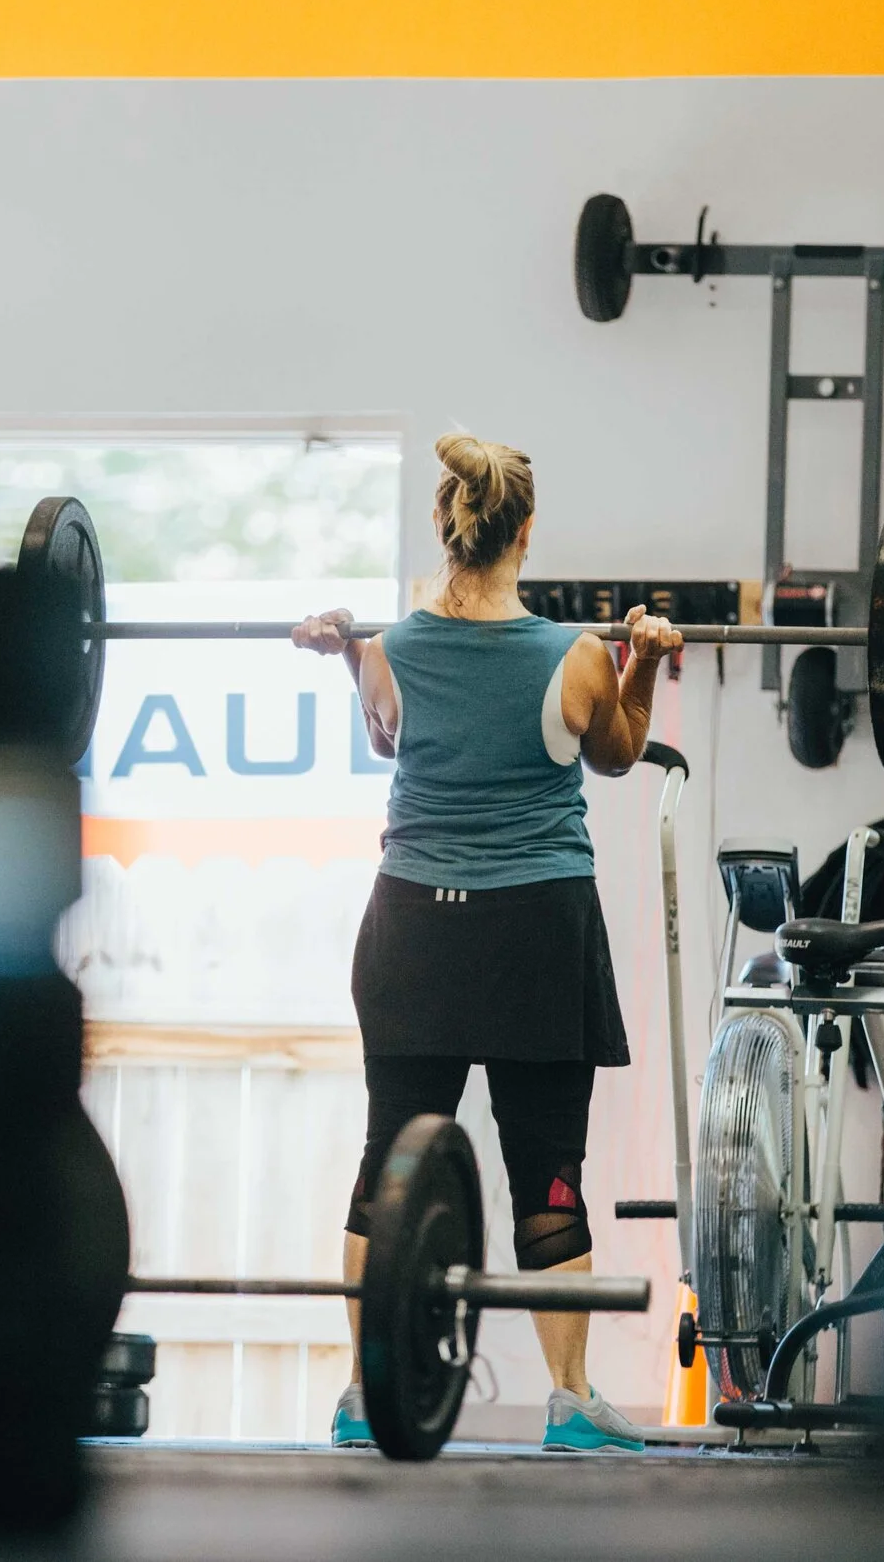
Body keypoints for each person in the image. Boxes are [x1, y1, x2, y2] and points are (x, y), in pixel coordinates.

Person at [292, 432, 681, 1454]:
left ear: (445, 524)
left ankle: (366, 1389)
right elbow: (620, 753)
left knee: (388, 1158)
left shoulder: (392, 649)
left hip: (412, 928)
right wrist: (646, 658)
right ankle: (568, 1397)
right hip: (534, 933)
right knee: (548, 1168)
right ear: (527, 530)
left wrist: (347, 655)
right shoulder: (575, 655)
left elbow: (387, 737)